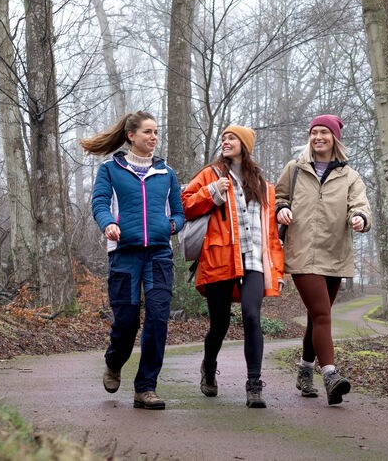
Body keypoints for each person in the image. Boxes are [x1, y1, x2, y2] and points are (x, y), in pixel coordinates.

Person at [84, 111, 185, 410]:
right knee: (126, 323)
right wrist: (108, 224)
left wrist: (170, 226)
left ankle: (145, 388)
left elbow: (179, 212)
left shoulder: (166, 173)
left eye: (156, 132)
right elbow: (100, 202)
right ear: (131, 136)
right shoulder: (110, 169)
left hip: (158, 255)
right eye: (148, 132)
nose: (154, 137)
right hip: (124, 254)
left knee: (157, 320)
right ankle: (114, 362)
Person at [183, 125, 286, 408]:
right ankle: (209, 366)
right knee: (220, 324)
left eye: (232, 138)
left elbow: (271, 234)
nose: (226, 141)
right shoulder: (210, 175)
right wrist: (212, 192)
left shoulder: (264, 186)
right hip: (220, 259)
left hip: (254, 261)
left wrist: (277, 269)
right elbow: (185, 206)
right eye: (224, 138)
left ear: (245, 144)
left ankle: (254, 385)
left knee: (252, 317)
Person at [274, 114, 371, 406]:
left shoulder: (350, 175)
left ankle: (304, 370)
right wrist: (281, 209)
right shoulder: (294, 169)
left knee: (317, 316)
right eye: (314, 132)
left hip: (335, 252)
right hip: (302, 252)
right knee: (322, 314)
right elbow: (279, 196)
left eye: (324, 133)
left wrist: (359, 218)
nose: (318, 137)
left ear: (334, 138)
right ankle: (330, 374)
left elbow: (361, 205)